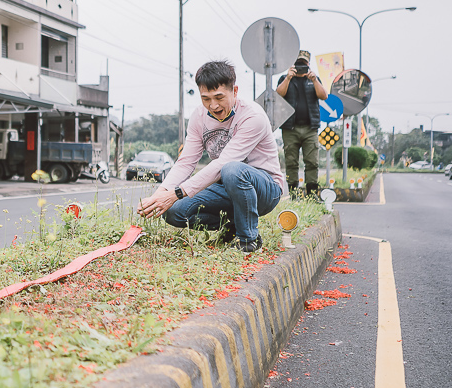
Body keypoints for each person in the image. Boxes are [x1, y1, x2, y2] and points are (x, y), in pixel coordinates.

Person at [137, 59, 285, 253]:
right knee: (173, 212)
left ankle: (249, 239)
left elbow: (223, 164)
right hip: (226, 185)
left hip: (265, 189)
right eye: (206, 98)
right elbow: (186, 162)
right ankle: (233, 225)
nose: (213, 105)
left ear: (235, 91)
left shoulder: (252, 116)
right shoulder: (199, 117)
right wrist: (159, 195)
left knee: (231, 169)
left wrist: (176, 193)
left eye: (219, 97)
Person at [276, 49, 328, 196]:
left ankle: (312, 195)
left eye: (303, 64)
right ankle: (293, 194)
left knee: (312, 162)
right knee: (291, 162)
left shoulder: (314, 79)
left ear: (309, 65)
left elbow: (323, 95)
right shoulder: (284, 78)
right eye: (298, 64)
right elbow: (278, 94)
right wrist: (288, 78)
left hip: (310, 128)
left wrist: (314, 80)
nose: (301, 68)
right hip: (289, 128)